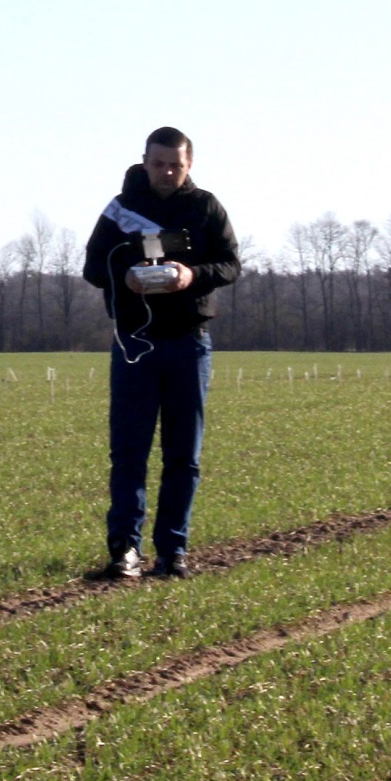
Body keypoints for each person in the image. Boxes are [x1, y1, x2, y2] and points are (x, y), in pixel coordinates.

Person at [81, 126, 240, 579]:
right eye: (159, 163)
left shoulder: (205, 207)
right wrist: (126, 276)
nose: (167, 172)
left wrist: (192, 276)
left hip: (189, 342)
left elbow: (232, 265)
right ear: (144, 161)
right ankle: (124, 550)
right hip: (135, 342)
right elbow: (92, 266)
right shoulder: (121, 209)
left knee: (182, 455)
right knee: (129, 451)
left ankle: (173, 552)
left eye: (176, 165)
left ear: (189, 166)